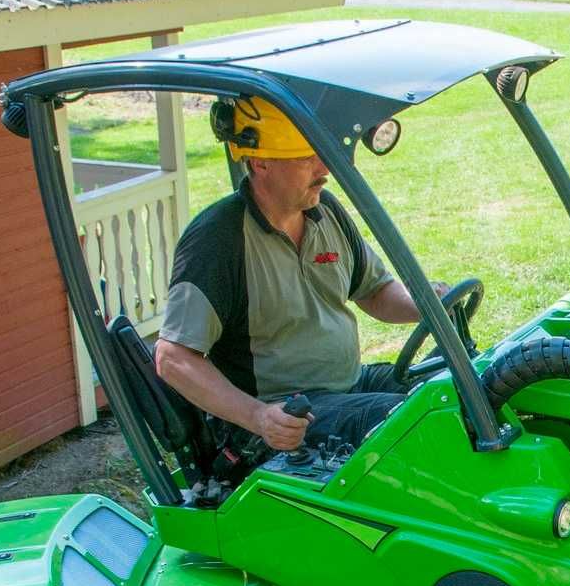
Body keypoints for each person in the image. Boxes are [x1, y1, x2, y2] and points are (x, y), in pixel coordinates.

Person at [156, 97, 427, 458]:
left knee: (446, 393)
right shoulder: (218, 240)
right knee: (411, 425)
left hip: (347, 385)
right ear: (260, 161)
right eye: (305, 158)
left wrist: (424, 306)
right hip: (282, 415)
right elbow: (173, 358)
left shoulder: (324, 210)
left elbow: (374, 291)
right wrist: (259, 417)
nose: (324, 167)